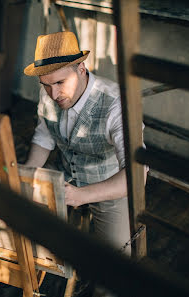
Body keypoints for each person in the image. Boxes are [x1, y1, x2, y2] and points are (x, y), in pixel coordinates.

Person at [24, 30, 147, 264]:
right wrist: (27, 173)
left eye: (60, 82)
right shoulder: (48, 91)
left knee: (115, 265)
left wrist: (82, 195)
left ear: (81, 69)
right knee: (31, 235)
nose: (53, 93)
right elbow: (44, 136)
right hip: (63, 175)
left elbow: (136, 176)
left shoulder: (117, 106)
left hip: (109, 184)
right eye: (46, 85)